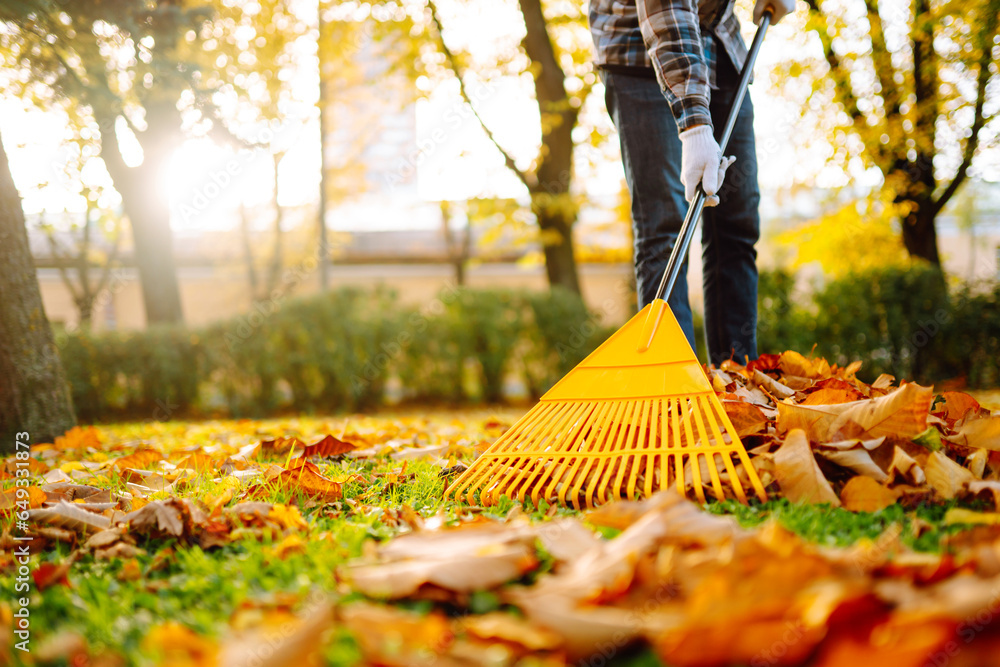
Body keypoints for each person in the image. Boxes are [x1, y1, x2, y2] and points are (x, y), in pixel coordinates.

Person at [590, 0, 796, 364]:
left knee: (737, 223)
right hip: (638, 49)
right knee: (666, 227)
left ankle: (738, 382)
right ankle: (674, 387)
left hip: (719, 44)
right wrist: (695, 127)